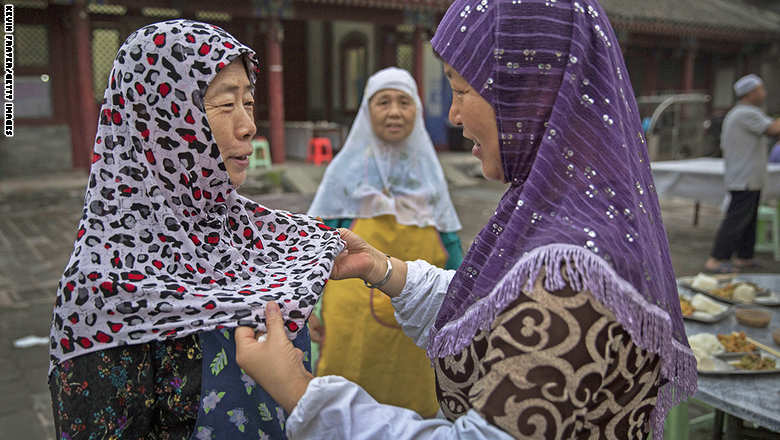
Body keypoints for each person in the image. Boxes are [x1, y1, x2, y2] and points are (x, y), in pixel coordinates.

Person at [235, 1, 697, 438]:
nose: (452, 114)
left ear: (527, 94)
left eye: (461, 90)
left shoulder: (573, 275)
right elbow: (498, 315)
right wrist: (387, 271)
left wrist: (300, 392)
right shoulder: (557, 207)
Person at [47, 20, 343, 439]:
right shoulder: (103, 289)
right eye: (225, 106)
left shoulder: (259, 239)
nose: (248, 127)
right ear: (163, 125)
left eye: (250, 103)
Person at [306, 67, 463, 416]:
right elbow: (313, 243)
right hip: (350, 321)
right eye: (383, 102)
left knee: (414, 405)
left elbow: (451, 245)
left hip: (419, 323)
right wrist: (304, 307)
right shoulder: (343, 172)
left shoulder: (430, 173)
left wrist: (465, 308)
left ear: (417, 111)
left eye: (404, 102)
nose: (394, 111)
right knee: (345, 408)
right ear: (367, 110)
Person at [704, 74, 780, 273]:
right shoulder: (746, 113)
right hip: (744, 177)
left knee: (749, 219)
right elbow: (773, 129)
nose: (764, 93)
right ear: (751, 93)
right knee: (736, 219)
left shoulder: (745, 112)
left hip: (749, 176)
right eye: (761, 89)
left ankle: (744, 257)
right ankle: (717, 259)